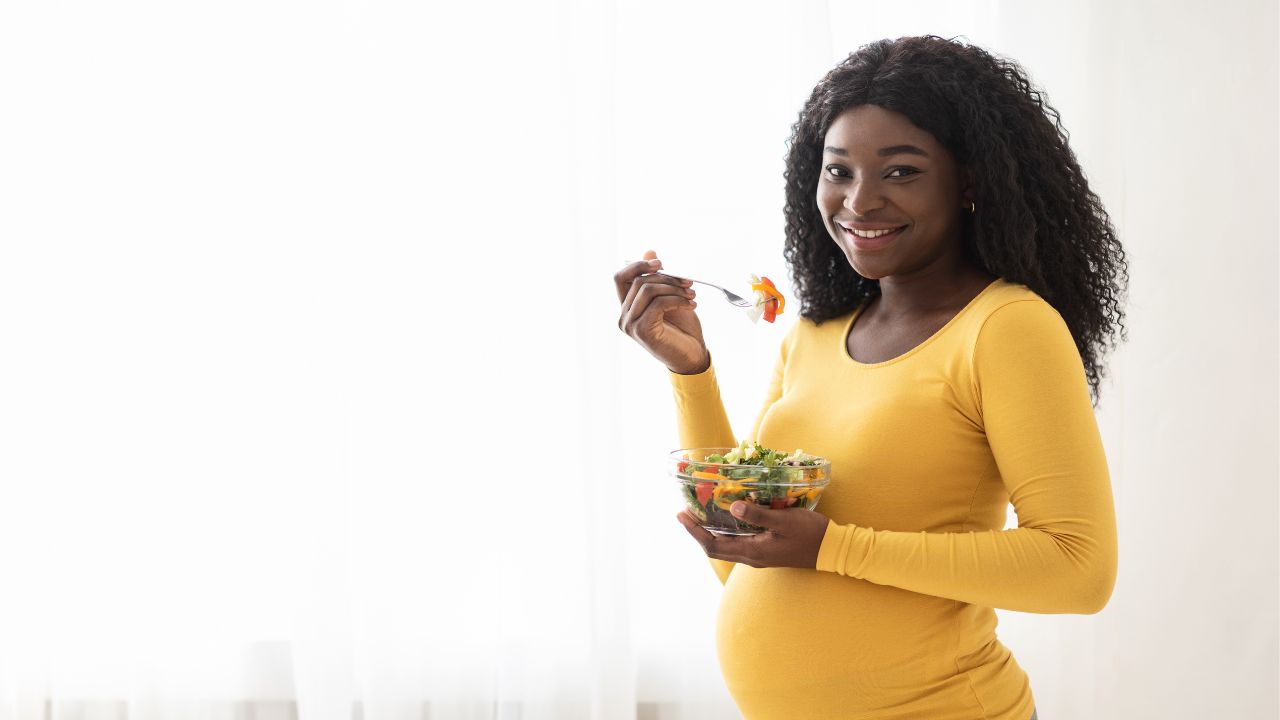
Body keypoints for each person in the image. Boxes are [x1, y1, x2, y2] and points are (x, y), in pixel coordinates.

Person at [613, 35, 1126, 720]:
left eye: (901, 171)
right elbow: (743, 557)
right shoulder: (815, 332)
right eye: (839, 171)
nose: (860, 201)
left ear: (970, 182)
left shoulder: (1006, 328)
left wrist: (835, 547)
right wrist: (692, 373)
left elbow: (1078, 571)